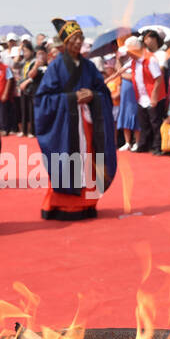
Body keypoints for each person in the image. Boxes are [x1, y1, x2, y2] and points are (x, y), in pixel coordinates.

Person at [32, 17, 116, 220]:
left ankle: (87, 203)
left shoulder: (88, 67)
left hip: (87, 125)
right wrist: (71, 98)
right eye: (74, 38)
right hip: (66, 128)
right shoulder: (55, 67)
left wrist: (93, 97)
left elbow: (103, 92)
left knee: (88, 160)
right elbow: (43, 99)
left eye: (80, 38)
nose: (78, 42)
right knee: (67, 161)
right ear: (65, 43)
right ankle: (64, 206)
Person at [131, 33, 168, 154]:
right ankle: (144, 145)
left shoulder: (150, 59)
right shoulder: (135, 61)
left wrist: (154, 96)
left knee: (155, 122)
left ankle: (158, 146)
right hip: (141, 96)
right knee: (144, 122)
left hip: (152, 95)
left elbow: (158, 78)